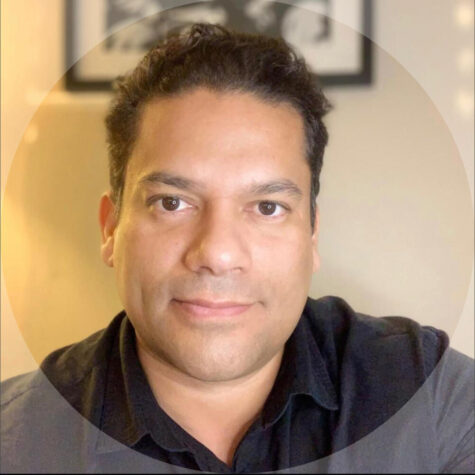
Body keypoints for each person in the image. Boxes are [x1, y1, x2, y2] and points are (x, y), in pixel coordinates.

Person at [1, 23, 473, 474]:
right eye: (172, 203)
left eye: (267, 207)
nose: (217, 253)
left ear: (312, 235)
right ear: (110, 229)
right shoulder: (16, 439)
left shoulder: (429, 399)